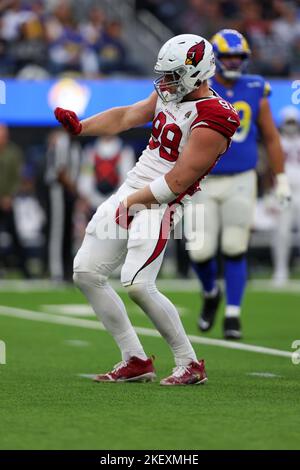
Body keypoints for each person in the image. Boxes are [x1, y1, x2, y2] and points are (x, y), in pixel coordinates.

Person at [54, 33, 240, 386]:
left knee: (138, 283)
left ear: (197, 72)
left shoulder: (215, 116)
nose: (165, 82)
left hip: (163, 202)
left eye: (173, 75)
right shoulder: (172, 92)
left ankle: (189, 363)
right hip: (134, 187)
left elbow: (179, 180)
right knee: (87, 271)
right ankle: (135, 359)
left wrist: (132, 203)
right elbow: (127, 116)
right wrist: (82, 127)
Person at [187, 29, 291, 340]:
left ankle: (233, 314)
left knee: (234, 246)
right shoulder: (199, 88)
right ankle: (210, 294)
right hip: (203, 178)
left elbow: (271, 137)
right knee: (199, 250)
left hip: (242, 178)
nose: (233, 61)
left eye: (238, 56)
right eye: (228, 56)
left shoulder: (256, 87)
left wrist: (281, 178)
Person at [272, 106, 300, 285]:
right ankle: (280, 270)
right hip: (284, 189)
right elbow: (270, 168)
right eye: (288, 122)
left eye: (293, 122)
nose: (291, 125)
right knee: (282, 233)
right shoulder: (278, 141)